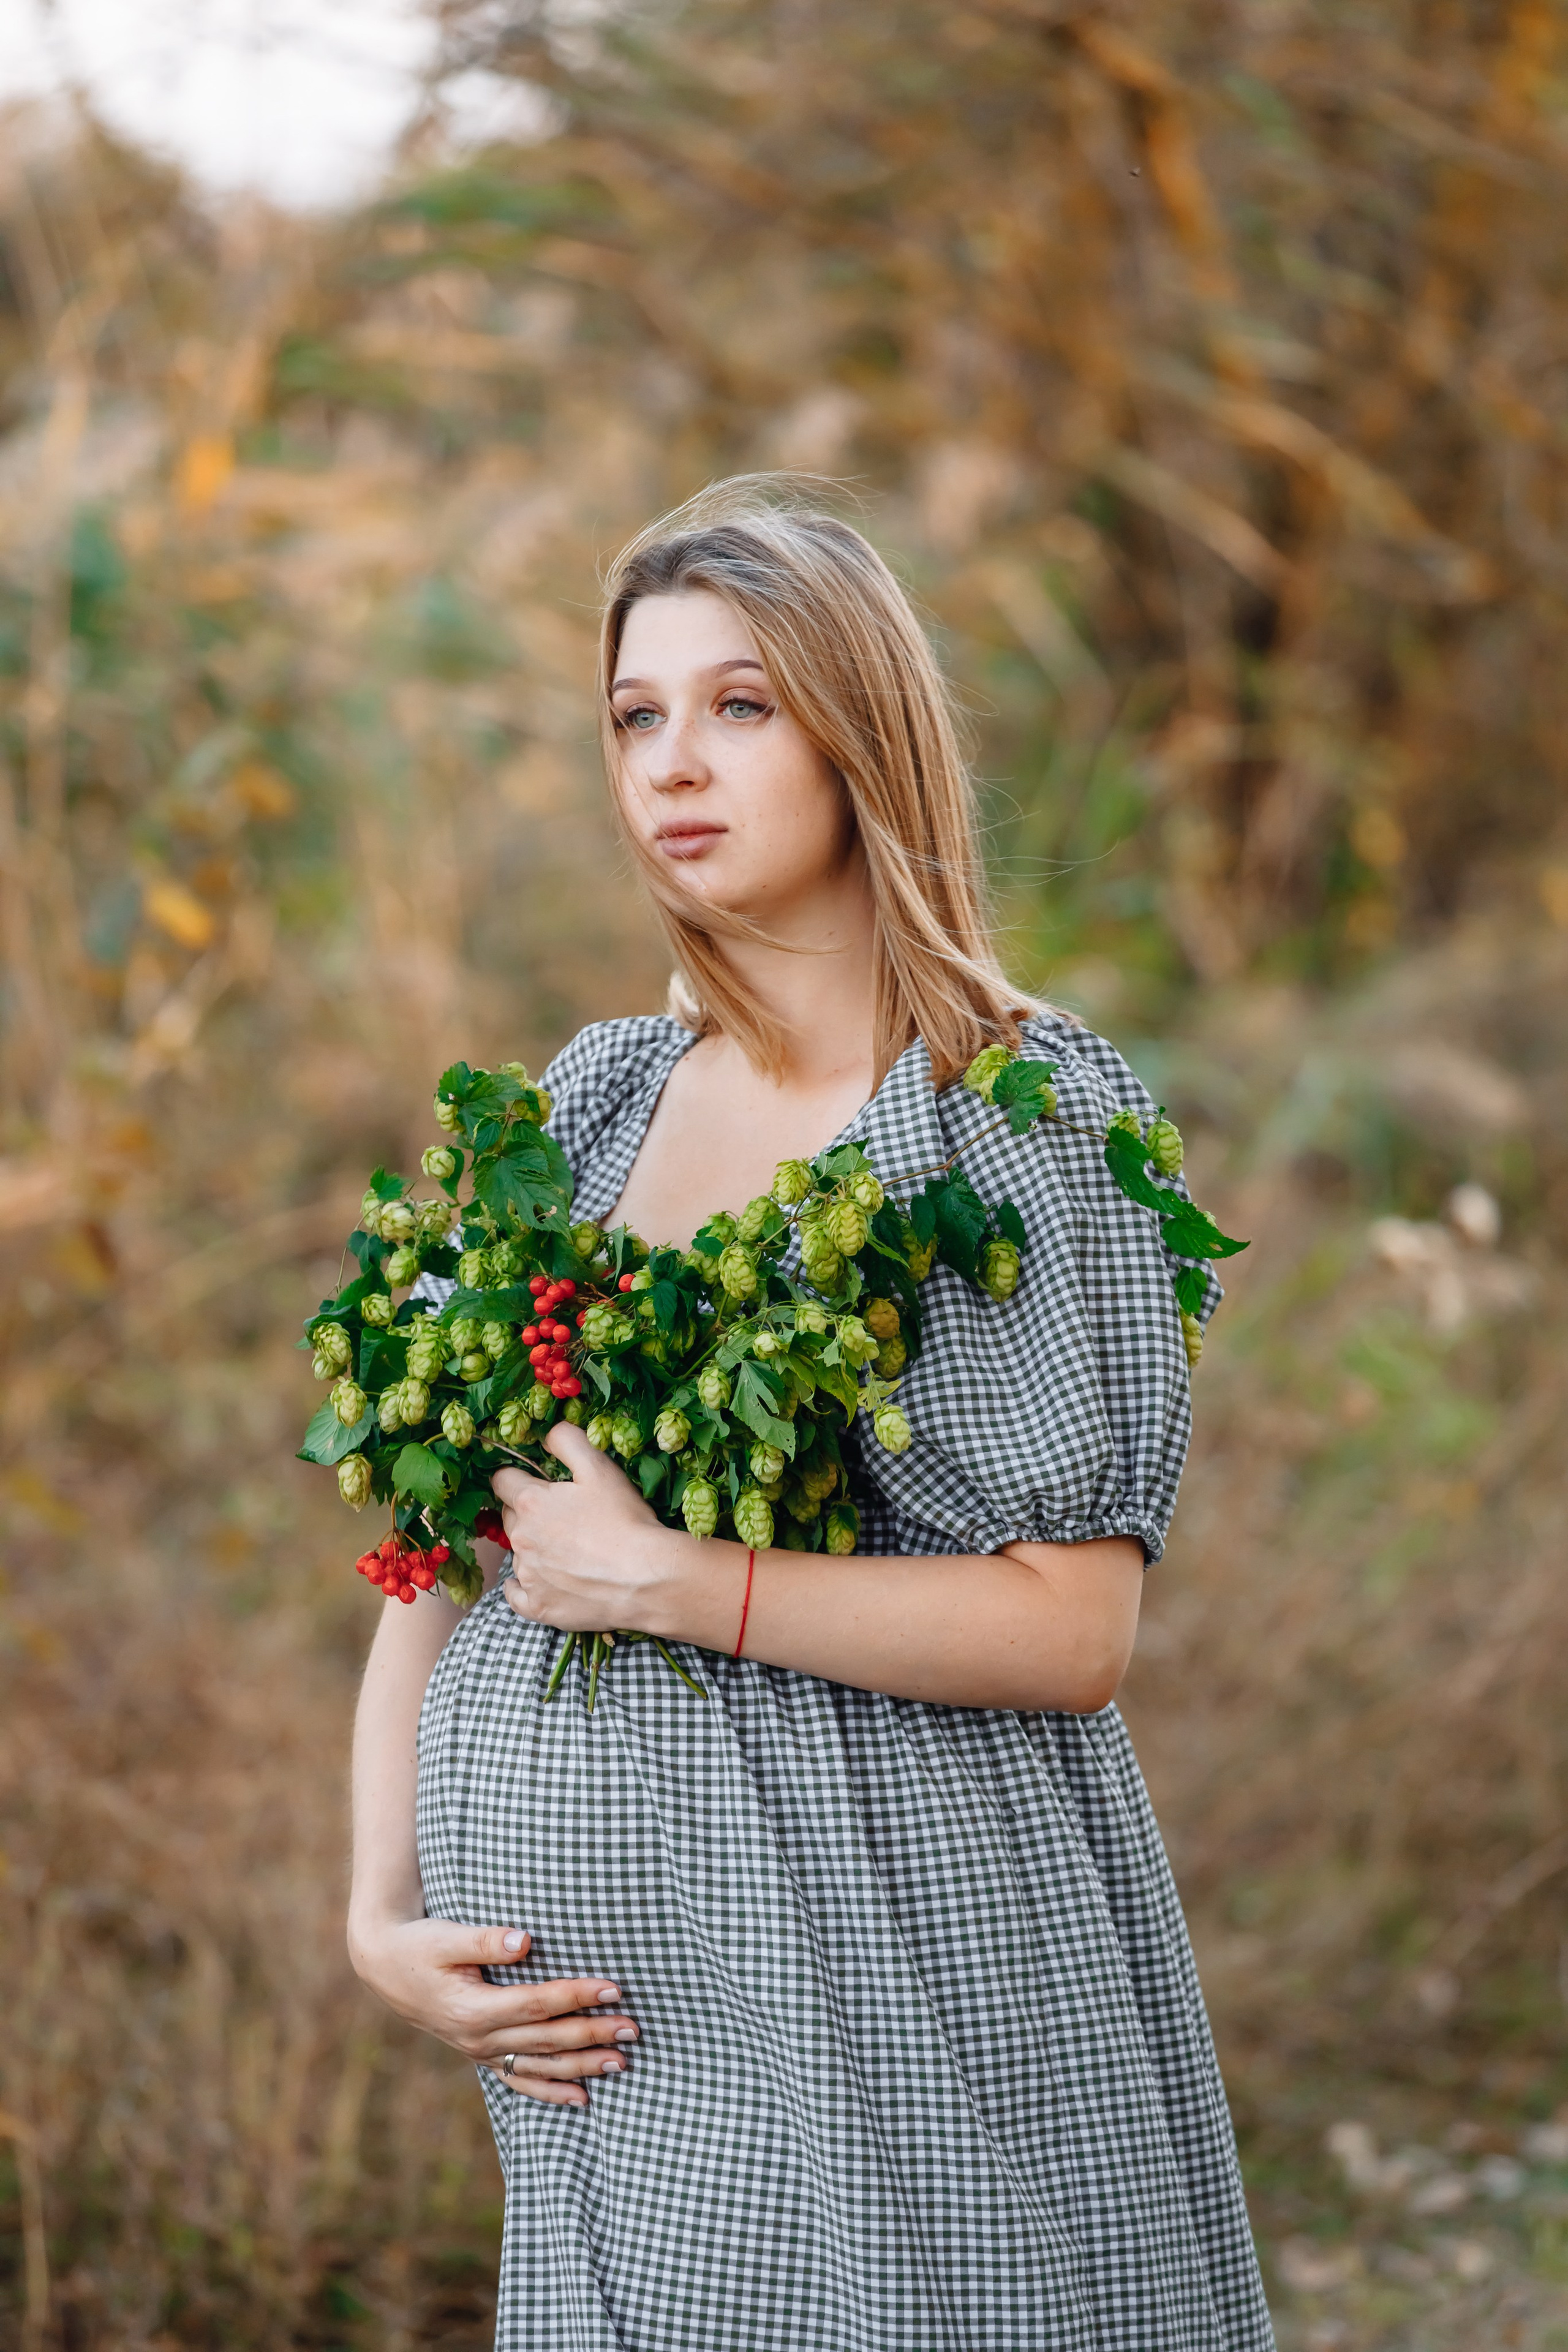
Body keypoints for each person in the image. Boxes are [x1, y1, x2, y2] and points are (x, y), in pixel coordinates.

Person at [347, 478, 1275, 2351]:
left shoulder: (1014, 1122)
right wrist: (378, 1908)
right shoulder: (590, 1102)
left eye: (742, 706)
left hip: (894, 1977)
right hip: (605, 2044)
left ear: (863, 733)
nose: (675, 764)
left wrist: (672, 1579)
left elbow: (1074, 1629)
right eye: (637, 715)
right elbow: (431, 1542)